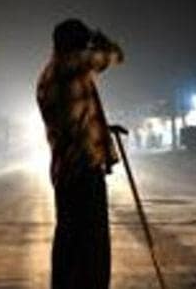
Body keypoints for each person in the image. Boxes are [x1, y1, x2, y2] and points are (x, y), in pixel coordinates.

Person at [36, 19, 124, 289]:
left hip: (66, 171)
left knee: (70, 245)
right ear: (76, 47)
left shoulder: (48, 75)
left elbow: (71, 120)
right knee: (92, 249)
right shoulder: (72, 65)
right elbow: (115, 55)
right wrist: (101, 40)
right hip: (83, 169)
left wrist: (102, 127)